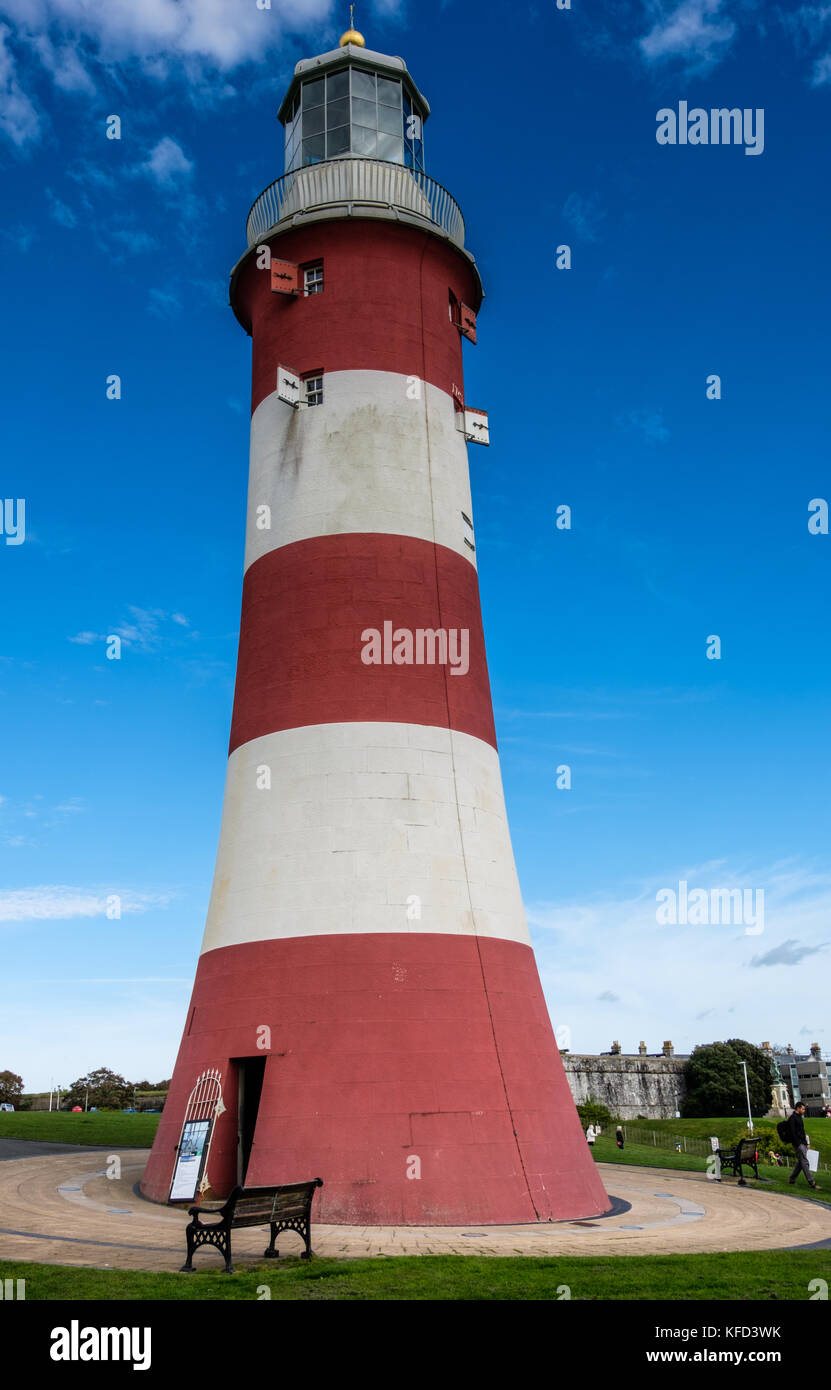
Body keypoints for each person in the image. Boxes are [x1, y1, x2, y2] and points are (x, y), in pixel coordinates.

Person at [785, 1102, 818, 1190]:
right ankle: (812, 1182)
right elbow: (793, 1133)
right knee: (805, 1162)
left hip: (803, 1143)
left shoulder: (799, 1117)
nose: (804, 1111)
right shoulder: (792, 1118)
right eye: (802, 1109)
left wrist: (807, 1143)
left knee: (801, 1162)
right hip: (798, 1144)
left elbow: (802, 1131)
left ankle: (791, 1179)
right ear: (798, 1108)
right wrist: (798, 1144)